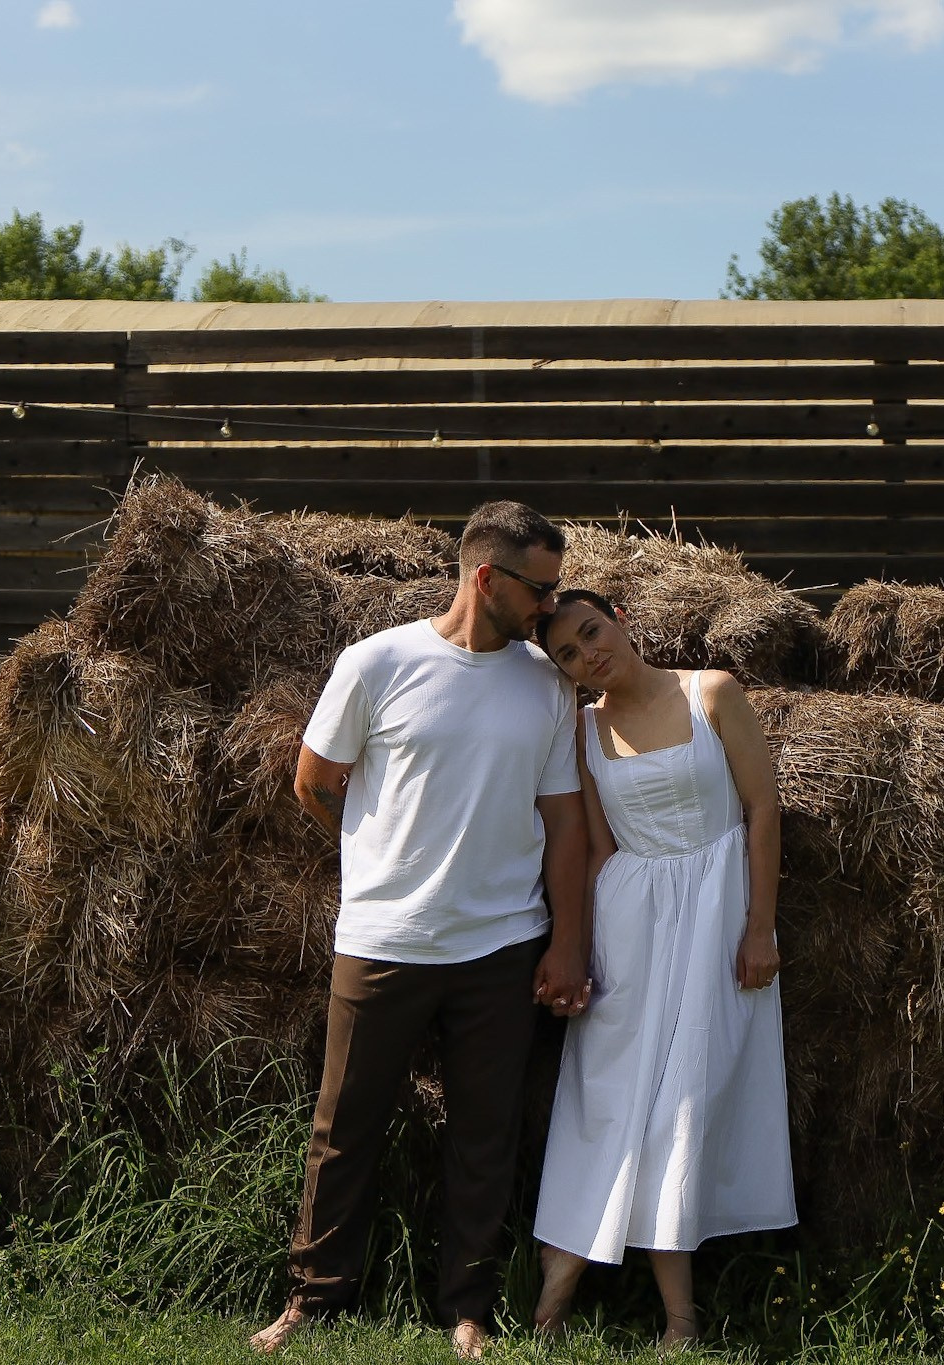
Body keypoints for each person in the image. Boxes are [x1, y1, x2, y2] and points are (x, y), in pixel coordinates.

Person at [251, 502, 592, 1359]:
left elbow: (565, 827)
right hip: (382, 941)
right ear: (487, 577)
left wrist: (566, 941)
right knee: (345, 1126)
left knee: (485, 1132)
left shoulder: (546, 685)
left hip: (502, 946)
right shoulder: (377, 663)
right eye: (539, 588)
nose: (550, 606)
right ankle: (313, 1299)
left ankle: (468, 1307)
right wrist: (383, 859)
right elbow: (314, 781)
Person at [528, 589, 796, 1349]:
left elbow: (762, 812)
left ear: (620, 619)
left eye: (591, 632)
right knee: (609, 1100)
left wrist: (758, 927)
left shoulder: (711, 690)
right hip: (631, 919)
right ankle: (564, 1275)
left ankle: (676, 1316)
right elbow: (601, 847)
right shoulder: (582, 729)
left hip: (715, 914)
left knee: (681, 1107)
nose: (589, 655)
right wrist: (584, 948)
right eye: (570, 656)